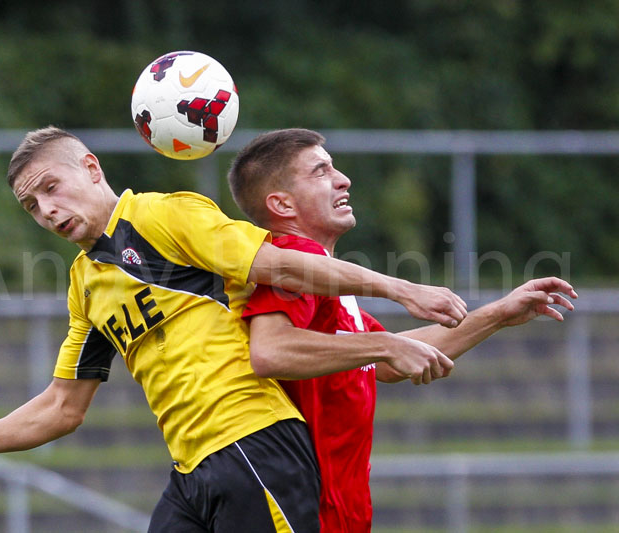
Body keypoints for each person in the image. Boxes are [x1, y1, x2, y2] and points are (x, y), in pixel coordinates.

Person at [0, 126, 468, 532]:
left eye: (51, 187)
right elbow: (63, 407)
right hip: (191, 472)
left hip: (256, 447)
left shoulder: (164, 216)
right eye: (32, 205)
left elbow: (278, 262)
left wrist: (404, 289)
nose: (47, 210)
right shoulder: (85, 285)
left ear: (92, 168)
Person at [227, 128, 578, 532]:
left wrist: (497, 314)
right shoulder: (295, 256)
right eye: (321, 172)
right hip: (303, 511)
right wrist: (382, 343)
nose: (343, 179)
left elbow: (389, 361)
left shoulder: (327, 281)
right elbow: (270, 351)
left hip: (336, 510)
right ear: (282, 203)